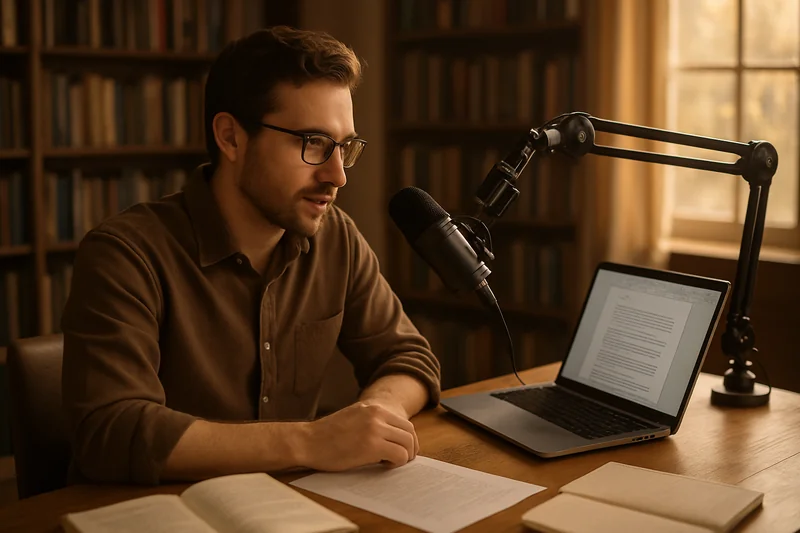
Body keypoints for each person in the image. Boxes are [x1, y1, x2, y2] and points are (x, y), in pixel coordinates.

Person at [60, 26, 441, 486]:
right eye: (314, 143)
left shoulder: (336, 238)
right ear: (231, 138)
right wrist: (310, 442)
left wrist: (376, 414)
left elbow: (410, 357)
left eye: (344, 147)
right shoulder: (125, 254)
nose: (337, 175)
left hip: (288, 510)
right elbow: (113, 430)